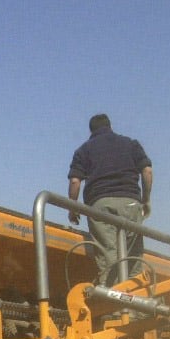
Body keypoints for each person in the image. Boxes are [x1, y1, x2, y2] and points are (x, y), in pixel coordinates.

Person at [66, 113, 153, 285]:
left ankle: (115, 308)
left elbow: (75, 181)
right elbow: (147, 171)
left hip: (101, 205)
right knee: (133, 257)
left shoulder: (84, 149)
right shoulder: (131, 144)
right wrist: (146, 200)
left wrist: (73, 208)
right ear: (110, 126)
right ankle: (136, 306)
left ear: (91, 131)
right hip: (131, 203)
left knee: (109, 256)